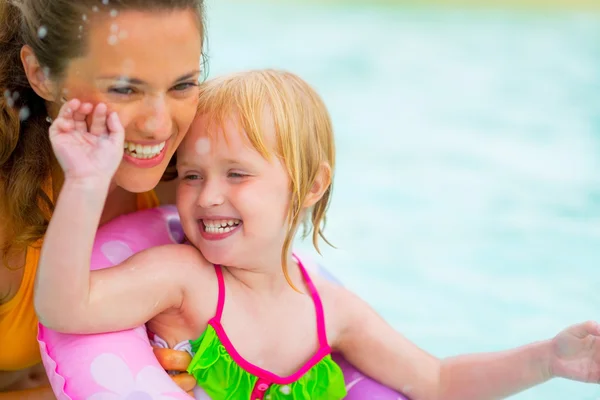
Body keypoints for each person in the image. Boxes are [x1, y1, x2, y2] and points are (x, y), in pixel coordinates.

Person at [35, 69, 600, 399]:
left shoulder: (332, 311)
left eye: (237, 174)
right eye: (189, 176)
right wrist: (87, 184)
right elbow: (67, 308)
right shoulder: (183, 279)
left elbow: (437, 379)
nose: (206, 196)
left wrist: (547, 360)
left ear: (309, 186)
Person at [0, 0, 206, 397]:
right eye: (125, 88)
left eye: (182, 84)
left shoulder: (194, 179)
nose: (159, 126)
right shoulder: (8, 217)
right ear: (41, 74)